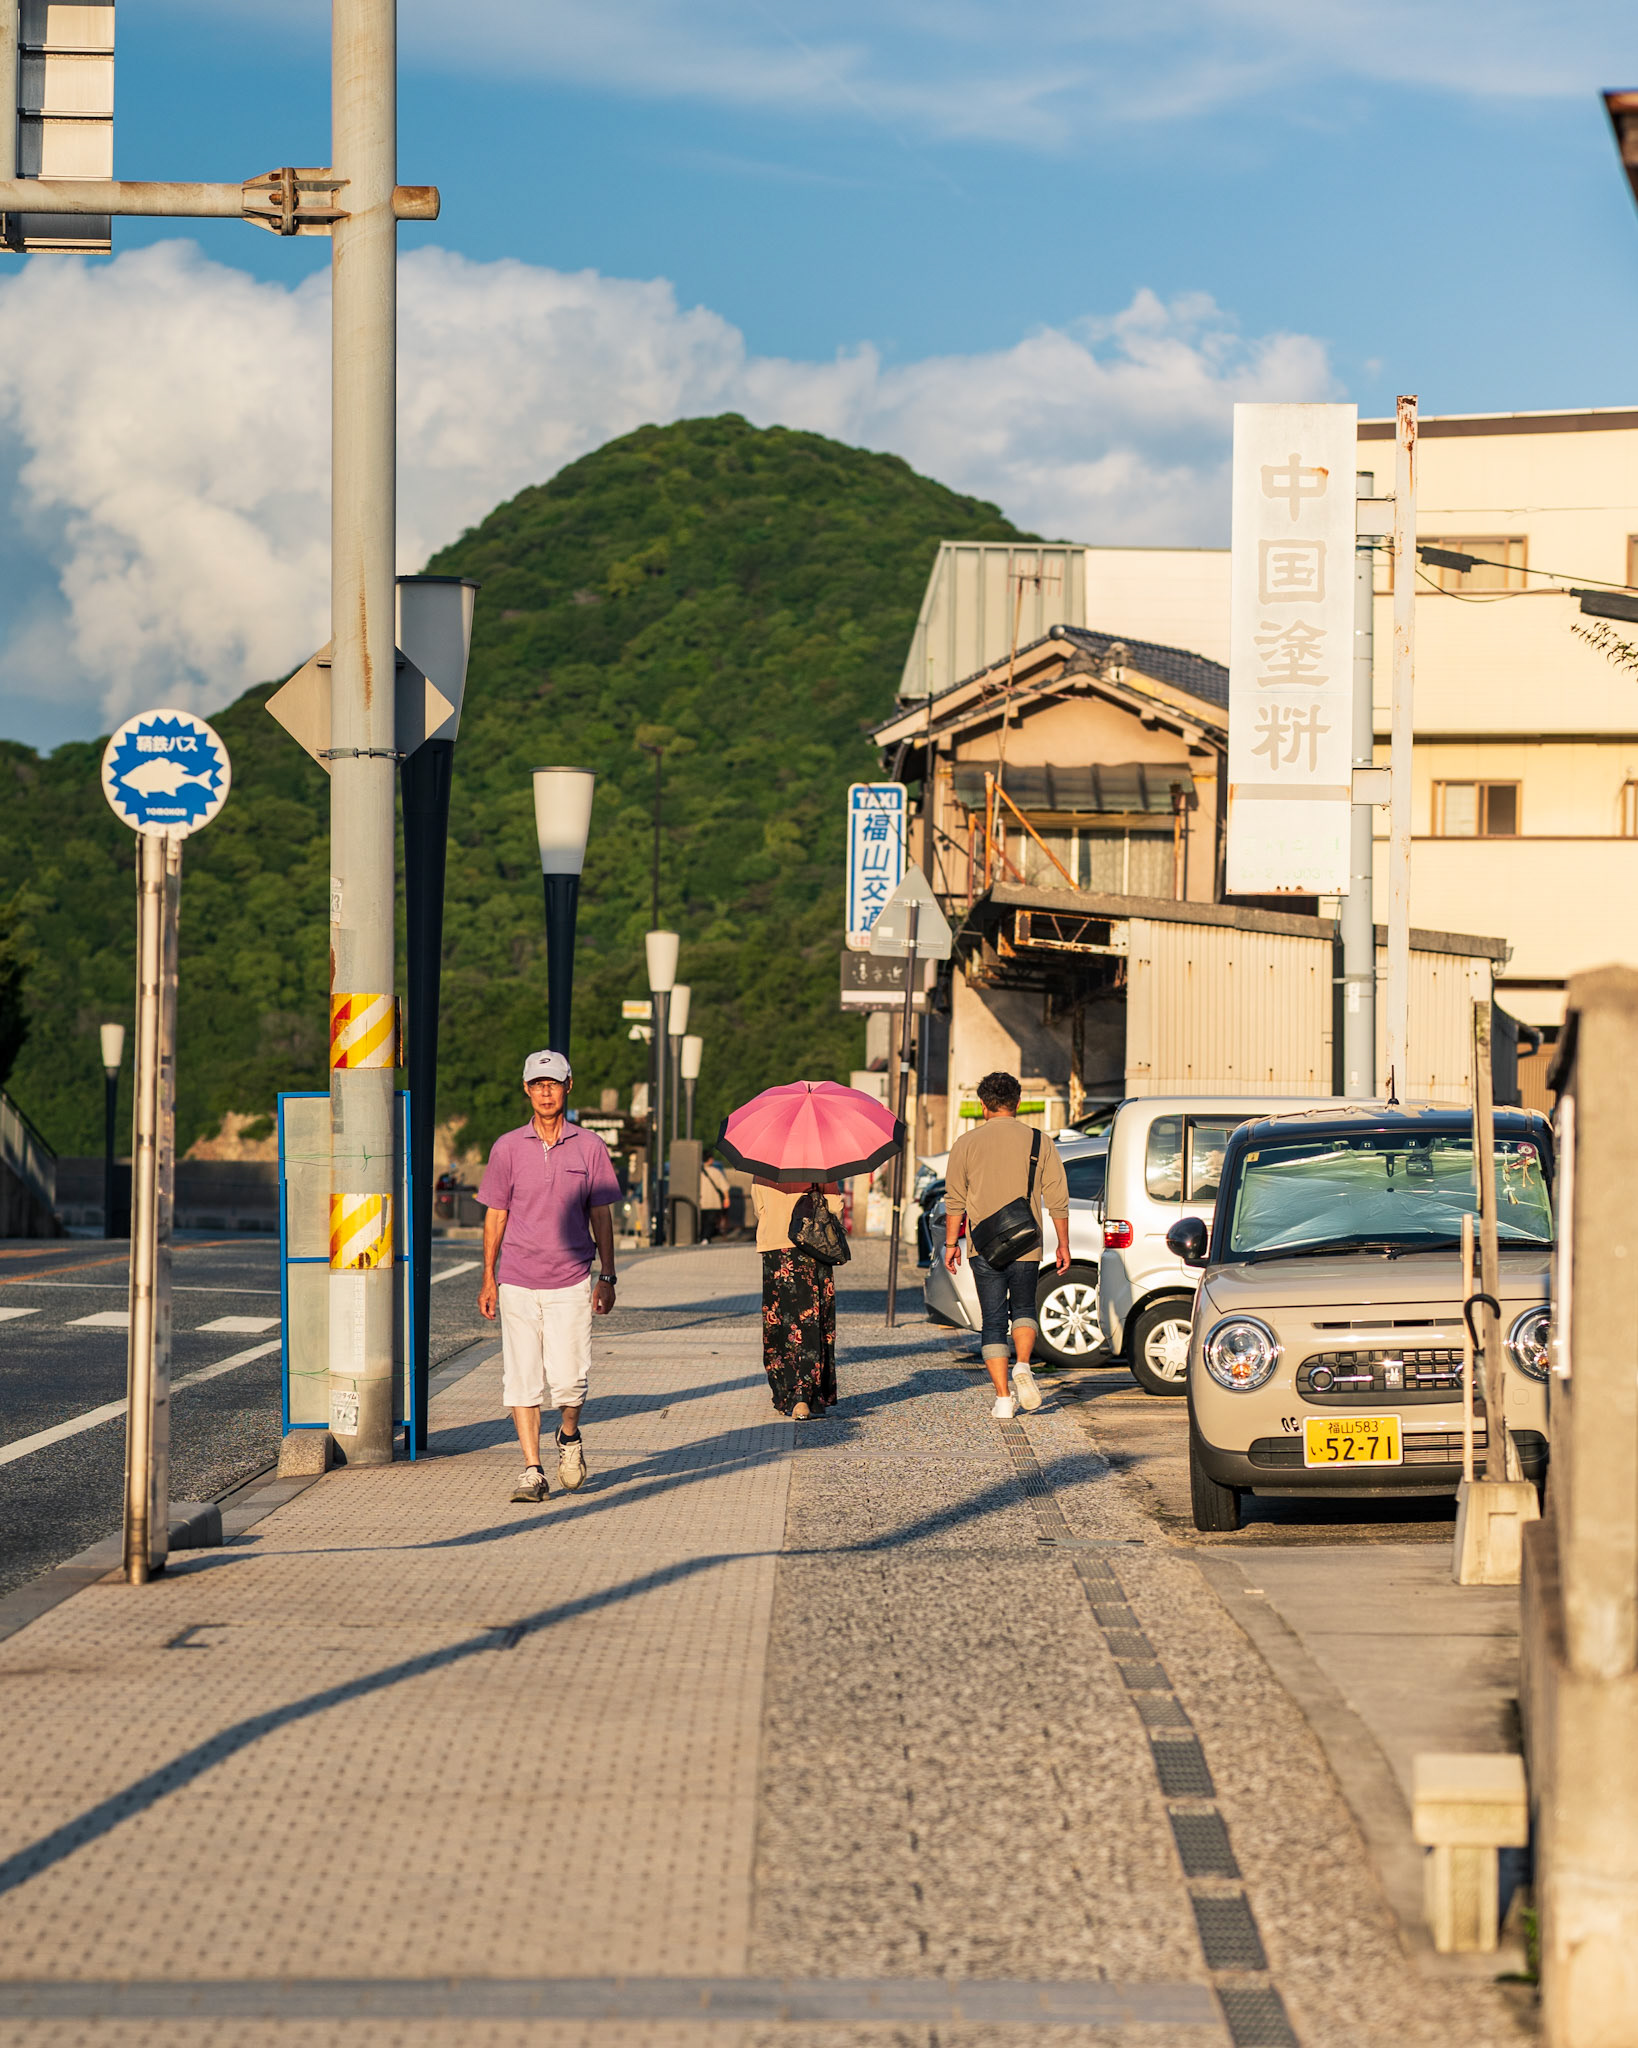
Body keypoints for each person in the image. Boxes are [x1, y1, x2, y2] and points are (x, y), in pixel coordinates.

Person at [477, 1049, 622, 1503]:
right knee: (521, 1379)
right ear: (526, 1089)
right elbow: (496, 1215)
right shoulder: (506, 1147)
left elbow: (602, 1216)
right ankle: (532, 1469)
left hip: (571, 1279)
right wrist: (488, 1277)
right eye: (538, 1084)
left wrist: (608, 1276)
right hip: (517, 1279)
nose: (546, 1092)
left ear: (568, 1086)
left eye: (553, 1084)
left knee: (570, 1381)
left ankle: (569, 1435)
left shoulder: (590, 1146)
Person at [943, 1072, 1071, 1419]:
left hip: (984, 1246)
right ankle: (1024, 1365)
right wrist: (1063, 1243)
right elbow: (1057, 1198)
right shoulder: (1039, 1141)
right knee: (1025, 1308)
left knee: (993, 1321)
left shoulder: (966, 1143)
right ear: (1017, 1103)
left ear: (982, 1105)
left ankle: (1003, 1399)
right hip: (1026, 1242)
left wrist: (951, 1243)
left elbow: (955, 1201)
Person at [753, 1177, 844, 1418]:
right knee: (810, 1319)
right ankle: (805, 1397)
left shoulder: (764, 1165)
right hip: (811, 1245)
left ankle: (784, 1393)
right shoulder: (820, 1166)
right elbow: (834, 1207)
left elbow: (759, 1208)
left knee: (779, 1318)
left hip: (774, 1246)